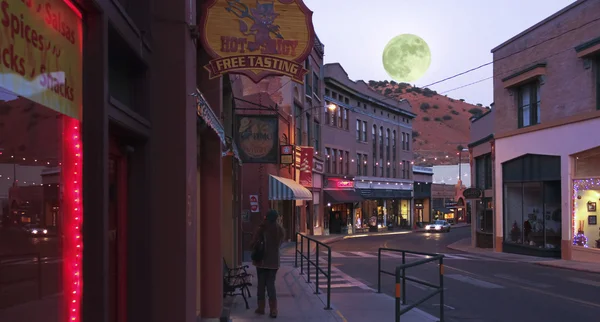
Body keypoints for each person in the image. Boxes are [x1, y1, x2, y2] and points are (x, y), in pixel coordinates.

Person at [251, 209, 285, 318]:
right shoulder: (280, 230)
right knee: (271, 285)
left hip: (261, 261)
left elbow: (253, 243)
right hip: (274, 262)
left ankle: (261, 308)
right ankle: (273, 310)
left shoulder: (261, 229)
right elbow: (279, 244)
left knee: (261, 285)